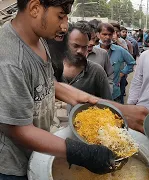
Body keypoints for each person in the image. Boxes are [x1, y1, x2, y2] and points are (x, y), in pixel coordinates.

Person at [0, 0, 117, 178]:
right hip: (13, 167)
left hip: (38, 149)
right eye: (60, 16)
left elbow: (46, 83)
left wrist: (90, 100)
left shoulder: (39, 39)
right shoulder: (10, 60)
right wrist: (82, 153)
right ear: (34, 8)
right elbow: (17, 130)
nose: (64, 26)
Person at [62, 21, 112, 100]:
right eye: (75, 46)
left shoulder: (96, 72)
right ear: (65, 43)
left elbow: (107, 103)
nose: (80, 51)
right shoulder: (52, 68)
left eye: (84, 47)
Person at [97, 23, 136, 104]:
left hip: (114, 94)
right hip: (96, 95)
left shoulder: (120, 50)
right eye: (104, 34)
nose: (107, 37)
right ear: (98, 35)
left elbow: (132, 63)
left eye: (109, 34)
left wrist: (122, 73)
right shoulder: (93, 51)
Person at [87, 21, 114, 92]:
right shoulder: (68, 56)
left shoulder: (103, 53)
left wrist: (108, 92)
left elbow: (110, 75)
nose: (92, 43)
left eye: (93, 39)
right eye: (88, 39)